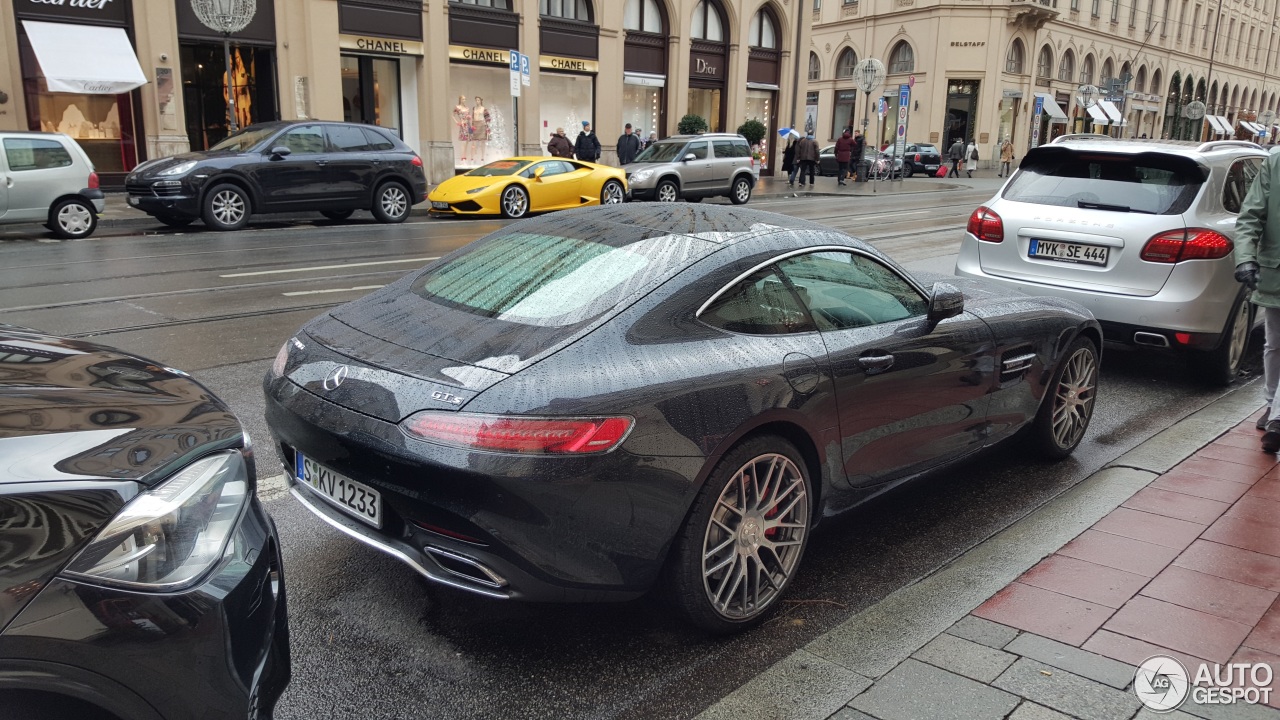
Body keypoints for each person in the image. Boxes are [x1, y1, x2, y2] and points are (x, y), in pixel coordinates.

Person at [1234, 150, 1280, 451]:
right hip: (1276, 271)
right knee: (1274, 343)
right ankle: (1271, 403)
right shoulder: (1276, 161)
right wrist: (1245, 259)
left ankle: (1278, 416)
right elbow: (1251, 215)